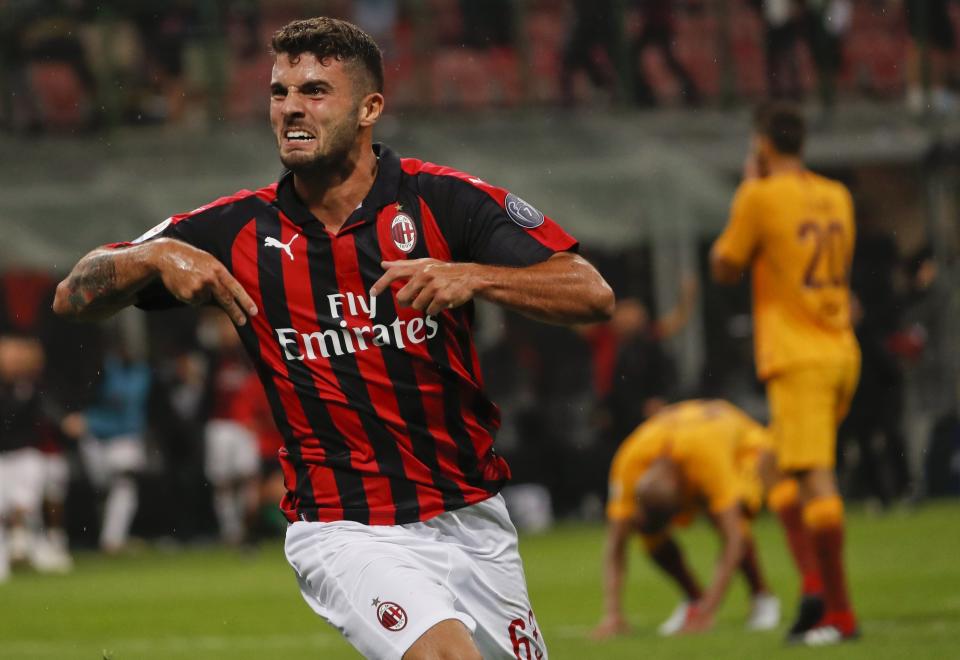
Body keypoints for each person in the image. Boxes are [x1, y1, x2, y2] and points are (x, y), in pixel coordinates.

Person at [53, 16, 614, 659]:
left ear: (370, 107)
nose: (291, 108)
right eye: (278, 92)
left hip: (471, 516)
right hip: (345, 525)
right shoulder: (236, 229)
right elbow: (73, 295)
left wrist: (474, 277)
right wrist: (151, 260)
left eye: (315, 91)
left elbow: (590, 293)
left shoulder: (444, 202)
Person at [710, 101, 860, 646]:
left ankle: (839, 616)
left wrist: (750, 186)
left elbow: (724, 265)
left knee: (816, 477)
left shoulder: (760, 195)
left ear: (763, 145)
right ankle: (815, 587)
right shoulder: (837, 195)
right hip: (842, 348)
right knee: (774, 467)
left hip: (800, 358)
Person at [592, 399, 781, 639]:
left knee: (729, 518)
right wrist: (612, 614)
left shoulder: (708, 460)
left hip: (743, 445)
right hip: (687, 435)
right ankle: (694, 599)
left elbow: (733, 539)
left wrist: (709, 612)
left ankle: (761, 596)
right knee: (647, 531)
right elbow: (616, 541)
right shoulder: (628, 462)